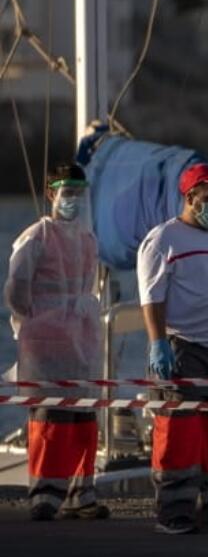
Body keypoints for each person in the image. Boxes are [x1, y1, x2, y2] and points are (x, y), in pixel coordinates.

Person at [137, 163, 208, 536]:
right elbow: (151, 296)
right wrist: (157, 342)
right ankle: (175, 509)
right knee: (179, 432)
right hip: (184, 347)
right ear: (190, 197)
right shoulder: (163, 239)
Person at [5, 164, 106, 521]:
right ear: (51, 194)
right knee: (50, 415)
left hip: (82, 339)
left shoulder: (87, 239)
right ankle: (45, 494)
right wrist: (38, 318)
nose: (73, 199)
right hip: (46, 339)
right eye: (67, 191)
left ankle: (81, 492)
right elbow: (16, 288)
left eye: (79, 191)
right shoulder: (37, 236)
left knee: (83, 417)